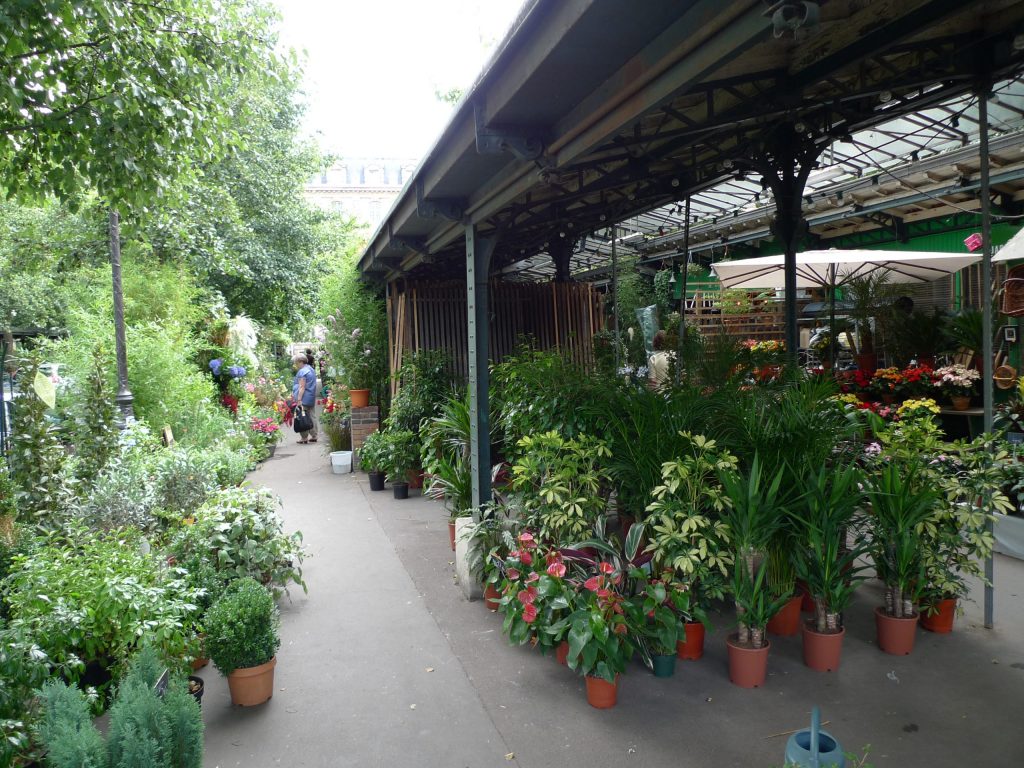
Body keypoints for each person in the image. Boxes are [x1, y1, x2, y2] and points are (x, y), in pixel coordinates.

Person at [291, 353, 318, 444]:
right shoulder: (311, 369)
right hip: (311, 397)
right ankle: (314, 435)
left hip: (303, 398)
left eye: (296, 362)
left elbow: (302, 387)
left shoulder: (303, 372)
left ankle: (304, 437)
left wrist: (299, 399)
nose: (295, 365)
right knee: (312, 416)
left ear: (300, 362)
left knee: (302, 416)